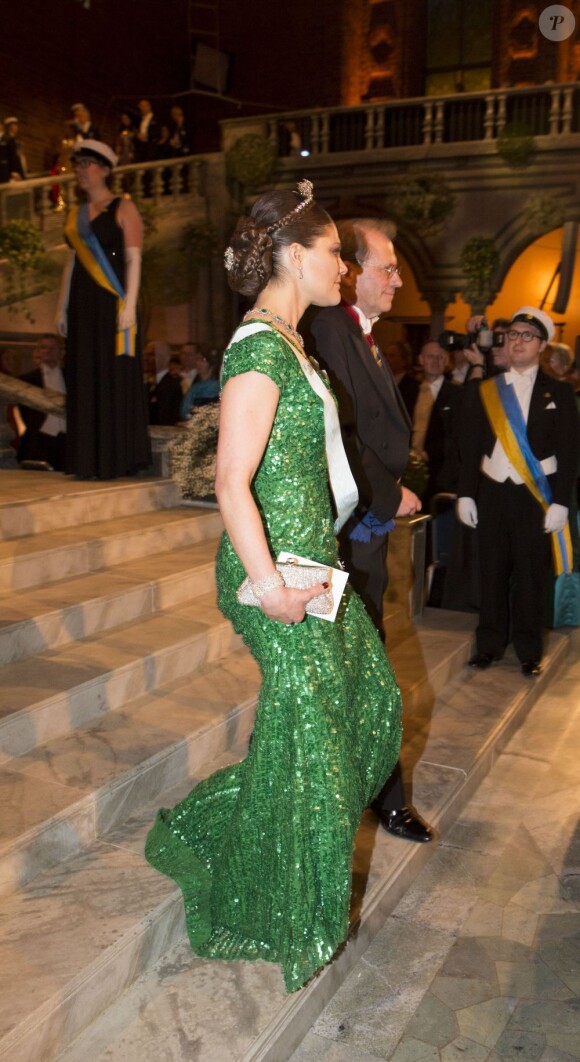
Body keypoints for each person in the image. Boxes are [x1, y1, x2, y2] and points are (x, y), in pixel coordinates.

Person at [145, 181, 403, 993]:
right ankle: (279, 907)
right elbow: (230, 483)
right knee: (314, 747)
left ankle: (236, 826)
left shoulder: (291, 341)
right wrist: (270, 590)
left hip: (312, 569)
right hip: (275, 577)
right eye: (334, 252)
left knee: (369, 705)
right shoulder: (259, 349)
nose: (343, 267)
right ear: (296, 255)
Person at [307, 217, 432, 845]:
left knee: (362, 671)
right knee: (361, 672)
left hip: (367, 528)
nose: (397, 278)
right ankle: (379, 798)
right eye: (387, 266)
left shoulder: (365, 334)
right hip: (347, 529)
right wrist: (391, 491)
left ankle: (370, 792)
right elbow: (341, 436)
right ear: (352, 269)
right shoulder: (330, 327)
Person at [457, 306, 580, 676]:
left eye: (527, 336)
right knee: (491, 571)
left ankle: (529, 649)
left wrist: (560, 501)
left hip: (535, 497)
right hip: (493, 492)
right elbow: (470, 446)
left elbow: (571, 452)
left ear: (542, 344)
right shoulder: (487, 390)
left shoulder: (559, 391)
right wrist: (465, 493)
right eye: (512, 335)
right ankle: (489, 644)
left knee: (530, 574)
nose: (518, 342)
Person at [55, 139, 151, 479]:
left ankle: (116, 459)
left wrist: (130, 305)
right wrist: (62, 308)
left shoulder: (123, 207)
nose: (81, 171)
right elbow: (70, 264)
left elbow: (134, 259)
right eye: (78, 165)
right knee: (84, 374)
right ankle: (87, 460)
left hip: (113, 302)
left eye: (88, 164)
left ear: (106, 169)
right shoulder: (74, 216)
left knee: (113, 374)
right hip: (82, 305)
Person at [412, 339, 462, 502]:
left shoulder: (457, 394)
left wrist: (429, 453)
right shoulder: (409, 391)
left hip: (441, 473)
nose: (435, 361)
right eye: (430, 356)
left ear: (446, 361)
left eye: (440, 357)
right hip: (411, 471)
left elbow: (457, 434)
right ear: (421, 360)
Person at [14, 334, 66, 470]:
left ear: (61, 353)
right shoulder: (27, 379)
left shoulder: (72, 376)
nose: (47, 351)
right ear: (38, 351)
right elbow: (25, 410)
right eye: (43, 348)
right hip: (40, 439)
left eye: (52, 348)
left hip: (67, 439)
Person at [179, 347, 220, 419]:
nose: (198, 363)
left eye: (203, 360)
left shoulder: (214, 386)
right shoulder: (196, 385)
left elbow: (205, 411)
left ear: (211, 364)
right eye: (197, 359)